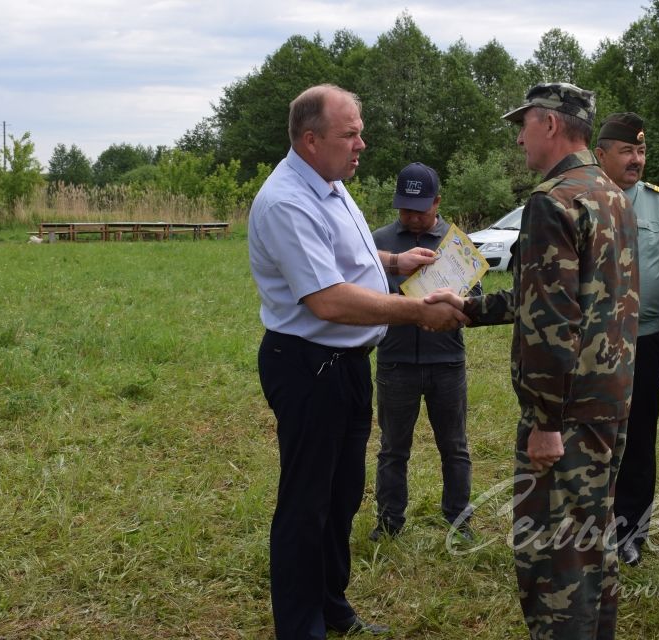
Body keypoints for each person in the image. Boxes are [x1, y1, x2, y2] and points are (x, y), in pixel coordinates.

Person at [248, 84, 467, 639]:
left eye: (359, 131)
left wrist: (393, 258)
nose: (361, 144)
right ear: (310, 139)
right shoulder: (286, 201)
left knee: (342, 493)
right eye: (351, 134)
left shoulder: (327, 183)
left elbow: (345, 255)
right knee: (306, 503)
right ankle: (301, 627)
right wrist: (416, 312)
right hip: (306, 366)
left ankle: (332, 606)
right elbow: (328, 299)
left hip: (344, 364)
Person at [429, 82, 639, 640]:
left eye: (523, 123)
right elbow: (560, 296)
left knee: (554, 563)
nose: (518, 136)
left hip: (565, 411)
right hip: (608, 399)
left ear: (550, 124)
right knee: (592, 542)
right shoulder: (609, 192)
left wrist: (545, 423)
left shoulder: (553, 201)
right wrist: (469, 309)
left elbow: (553, 323)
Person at [594, 112, 659, 567]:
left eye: (641, 151)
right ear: (601, 156)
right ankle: (589, 523)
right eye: (626, 151)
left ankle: (631, 530)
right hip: (594, 340)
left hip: (648, 339)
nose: (636, 160)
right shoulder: (585, 199)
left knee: (638, 435)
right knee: (594, 430)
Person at [369, 162, 477, 542]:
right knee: (393, 449)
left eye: (420, 208)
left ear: (438, 201)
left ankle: (459, 520)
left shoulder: (457, 245)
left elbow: (476, 303)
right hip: (395, 362)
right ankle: (388, 522)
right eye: (405, 208)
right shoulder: (377, 242)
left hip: (447, 363)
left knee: (455, 446)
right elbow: (363, 297)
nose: (412, 216)